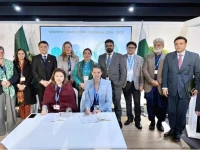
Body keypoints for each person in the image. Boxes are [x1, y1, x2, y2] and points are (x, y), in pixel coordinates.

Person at [162, 36, 200, 142]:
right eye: (176, 44)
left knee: (181, 113)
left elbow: (198, 73)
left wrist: (196, 87)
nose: (178, 45)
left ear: (185, 44)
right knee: (171, 112)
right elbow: (165, 72)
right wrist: (164, 86)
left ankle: (178, 132)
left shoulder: (194, 56)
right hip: (171, 89)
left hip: (186, 90)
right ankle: (172, 129)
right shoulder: (169, 56)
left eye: (181, 43)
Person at [98, 39, 126, 129]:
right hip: (104, 83)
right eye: (107, 46)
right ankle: (105, 118)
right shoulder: (101, 57)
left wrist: (120, 83)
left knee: (117, 101)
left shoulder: (120, 56)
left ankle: (118, 120)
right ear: (105, 47)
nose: (109, 47)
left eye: (110, 45)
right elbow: (99, 70)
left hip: (116, 83)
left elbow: (123, 71)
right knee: (104, 101)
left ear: (113, 46)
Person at [143, 38, 168, 132]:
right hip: (150, 86)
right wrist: (151, 81)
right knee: (150, 105)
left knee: (162, 106)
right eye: (155, 45)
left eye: (159, 45)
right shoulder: (148, 56)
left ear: (163, 46)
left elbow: (168, 71)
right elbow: (144, 70)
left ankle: (160, 122)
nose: (157, 47)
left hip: (161, 86)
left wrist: (159, 81)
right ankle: (152, 121)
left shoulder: (167, 57)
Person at [123, 41, 144, 130]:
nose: (130, 49)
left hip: (136, 83)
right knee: (128, 102)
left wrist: (142, 84)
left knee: (137, 103)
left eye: (132, 47)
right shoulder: (122, 57)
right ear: (126, 48)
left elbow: (142, 73)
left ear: (135, 49)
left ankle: (138, 121)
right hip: (126, 83)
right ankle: (129, 118)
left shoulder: (140, 58)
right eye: (129, 47)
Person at [32, 41, 57, 111]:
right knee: (42, 101)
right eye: (41, 47)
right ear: (39, 48)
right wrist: (41, 81)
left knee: (52, 100)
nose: (43, 48)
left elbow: (55, 70)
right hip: (40, 84)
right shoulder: (35, 58)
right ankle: (43, 115)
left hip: (51, 83)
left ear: (48, 47)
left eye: (45, 46)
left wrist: (50, 81)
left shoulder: (53, 58)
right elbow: (34, 71)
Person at [0, 46, 19, 136]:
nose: (1, 54)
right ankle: (1, 131)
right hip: (0, 90)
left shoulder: (10, 63)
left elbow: (16, 75)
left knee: (11, 109)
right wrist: (1, 82)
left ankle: (12, 129)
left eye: (2, 52)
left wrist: (10, 82)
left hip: (10, 88)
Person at [14, 48, 36, 119]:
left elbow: (31, 75)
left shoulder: (29, 63)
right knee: (21, 105)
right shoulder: (13, 63)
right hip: (18, 87)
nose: (21, 55)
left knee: (27, 105)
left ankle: (28, 122)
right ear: (16, 55)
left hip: (27, 87)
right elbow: (12, 75)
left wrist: (25, 85)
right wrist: (18, 85)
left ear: (25, 54)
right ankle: (22, 122)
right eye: (19, 54)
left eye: (22, 53)